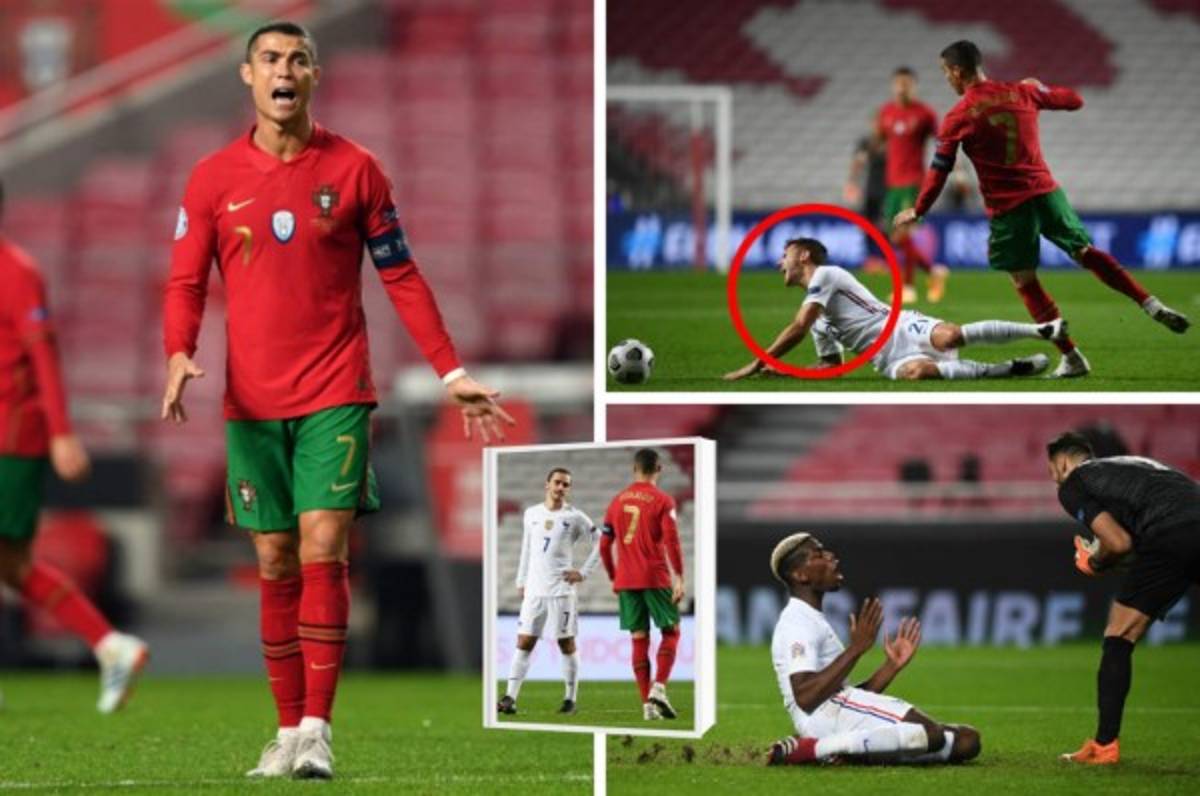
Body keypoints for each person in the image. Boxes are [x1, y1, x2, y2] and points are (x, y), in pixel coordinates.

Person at [161, 22, 513, 780]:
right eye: (269, 60)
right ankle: (285, 732)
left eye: (296, 60)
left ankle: (317, 728)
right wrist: (179, 350)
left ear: (314, 75)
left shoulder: (356, 170)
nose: (283, 71)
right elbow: (186, 279)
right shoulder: (212, 178)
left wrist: (452, 373)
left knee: (324, 546)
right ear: (246, 76)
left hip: (335, 391)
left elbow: (402, 275)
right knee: (275, 558)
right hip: (251, 405)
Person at [895, 40, 1188, 378]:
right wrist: (1040, 87)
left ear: (958, 72)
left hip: (1010, 208)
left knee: (1025, 282)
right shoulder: (1022, 92)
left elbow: (939, 171)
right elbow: (1075, 100)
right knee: (1086, 252)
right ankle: (1150, 303)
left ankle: (1073, 357)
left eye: (946, 72)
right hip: (1048, 195)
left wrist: (918, 210)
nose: (946, 78)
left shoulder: (958, 117)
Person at [0, 178, 148, 713]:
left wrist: (62, 433)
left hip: (12, 438)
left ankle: (111, 646)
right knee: (14, 566)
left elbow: (45, 359)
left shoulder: (17, 273)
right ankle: (112, 645)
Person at [1047, 432, 1200, 765]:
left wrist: (1094, 562)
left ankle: (1104, 746)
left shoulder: (1073, 483)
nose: (1055, 480)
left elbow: (1119, 544)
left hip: (1171, 533)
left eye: (1052, 473)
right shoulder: (1134, 465)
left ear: (1062, 463)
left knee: (1119, 635)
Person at [767, 532, 980, 766]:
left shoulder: (812, 618)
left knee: (966, 741)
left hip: (835, 715)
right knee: (931, 734)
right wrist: (856, 649)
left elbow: (844, 698)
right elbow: (806, 697)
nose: (832, 557)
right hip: (821, 719)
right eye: (819, 554)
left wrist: (890, 667)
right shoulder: (798, 623)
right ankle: (816, 749)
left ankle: (847, 751)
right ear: (801, 575)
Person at [723, 237, 1063, 382]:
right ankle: (1005, 369)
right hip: (886, 359)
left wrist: (759, 361)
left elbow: (797, 326)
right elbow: (832, 366)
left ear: (803, 256)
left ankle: (1040, 331)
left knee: (951, 337)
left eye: (785, 255)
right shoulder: (817, 318)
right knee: (920, 373)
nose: (779, 262)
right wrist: (790, 371)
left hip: (897, 325)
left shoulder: (827, 276)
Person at [498, 468, 600, 717]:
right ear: (547, 484)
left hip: (561, 591)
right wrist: (521, 580)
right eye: (557, 483)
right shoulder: (531, 514)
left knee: (566, 643)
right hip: (534, 589)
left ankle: (570, 699)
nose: (561, 488)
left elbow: (603, 541)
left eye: (566, 484)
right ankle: (510, 697)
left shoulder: (574, 517)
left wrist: (584, 572)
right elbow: (527, 548)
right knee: (524, 641)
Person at [600, 448, 684, 720]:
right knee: (671, 632)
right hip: (654, 575)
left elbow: (604, 545)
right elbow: (671, 540)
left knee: (639, 638)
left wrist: (614, 577)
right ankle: (658, 688)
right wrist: (679, 576)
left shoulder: (616, 502)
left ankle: (646, 707)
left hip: (626, 579)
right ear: (658, 469)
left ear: (634, 469)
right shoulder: (663, 500)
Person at [873, 67, 947, 304]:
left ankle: (908, 288)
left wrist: (953, 172)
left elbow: (942, 141)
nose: (902, 87)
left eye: (907, 83)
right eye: (899, 83)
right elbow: (879, 140)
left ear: (914, 86)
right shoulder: (885, 112)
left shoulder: (924, 113)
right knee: (896, 239)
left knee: (903, 233)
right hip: (893, 183)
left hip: (914, 181)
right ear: (893, 85)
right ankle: (933, 272)